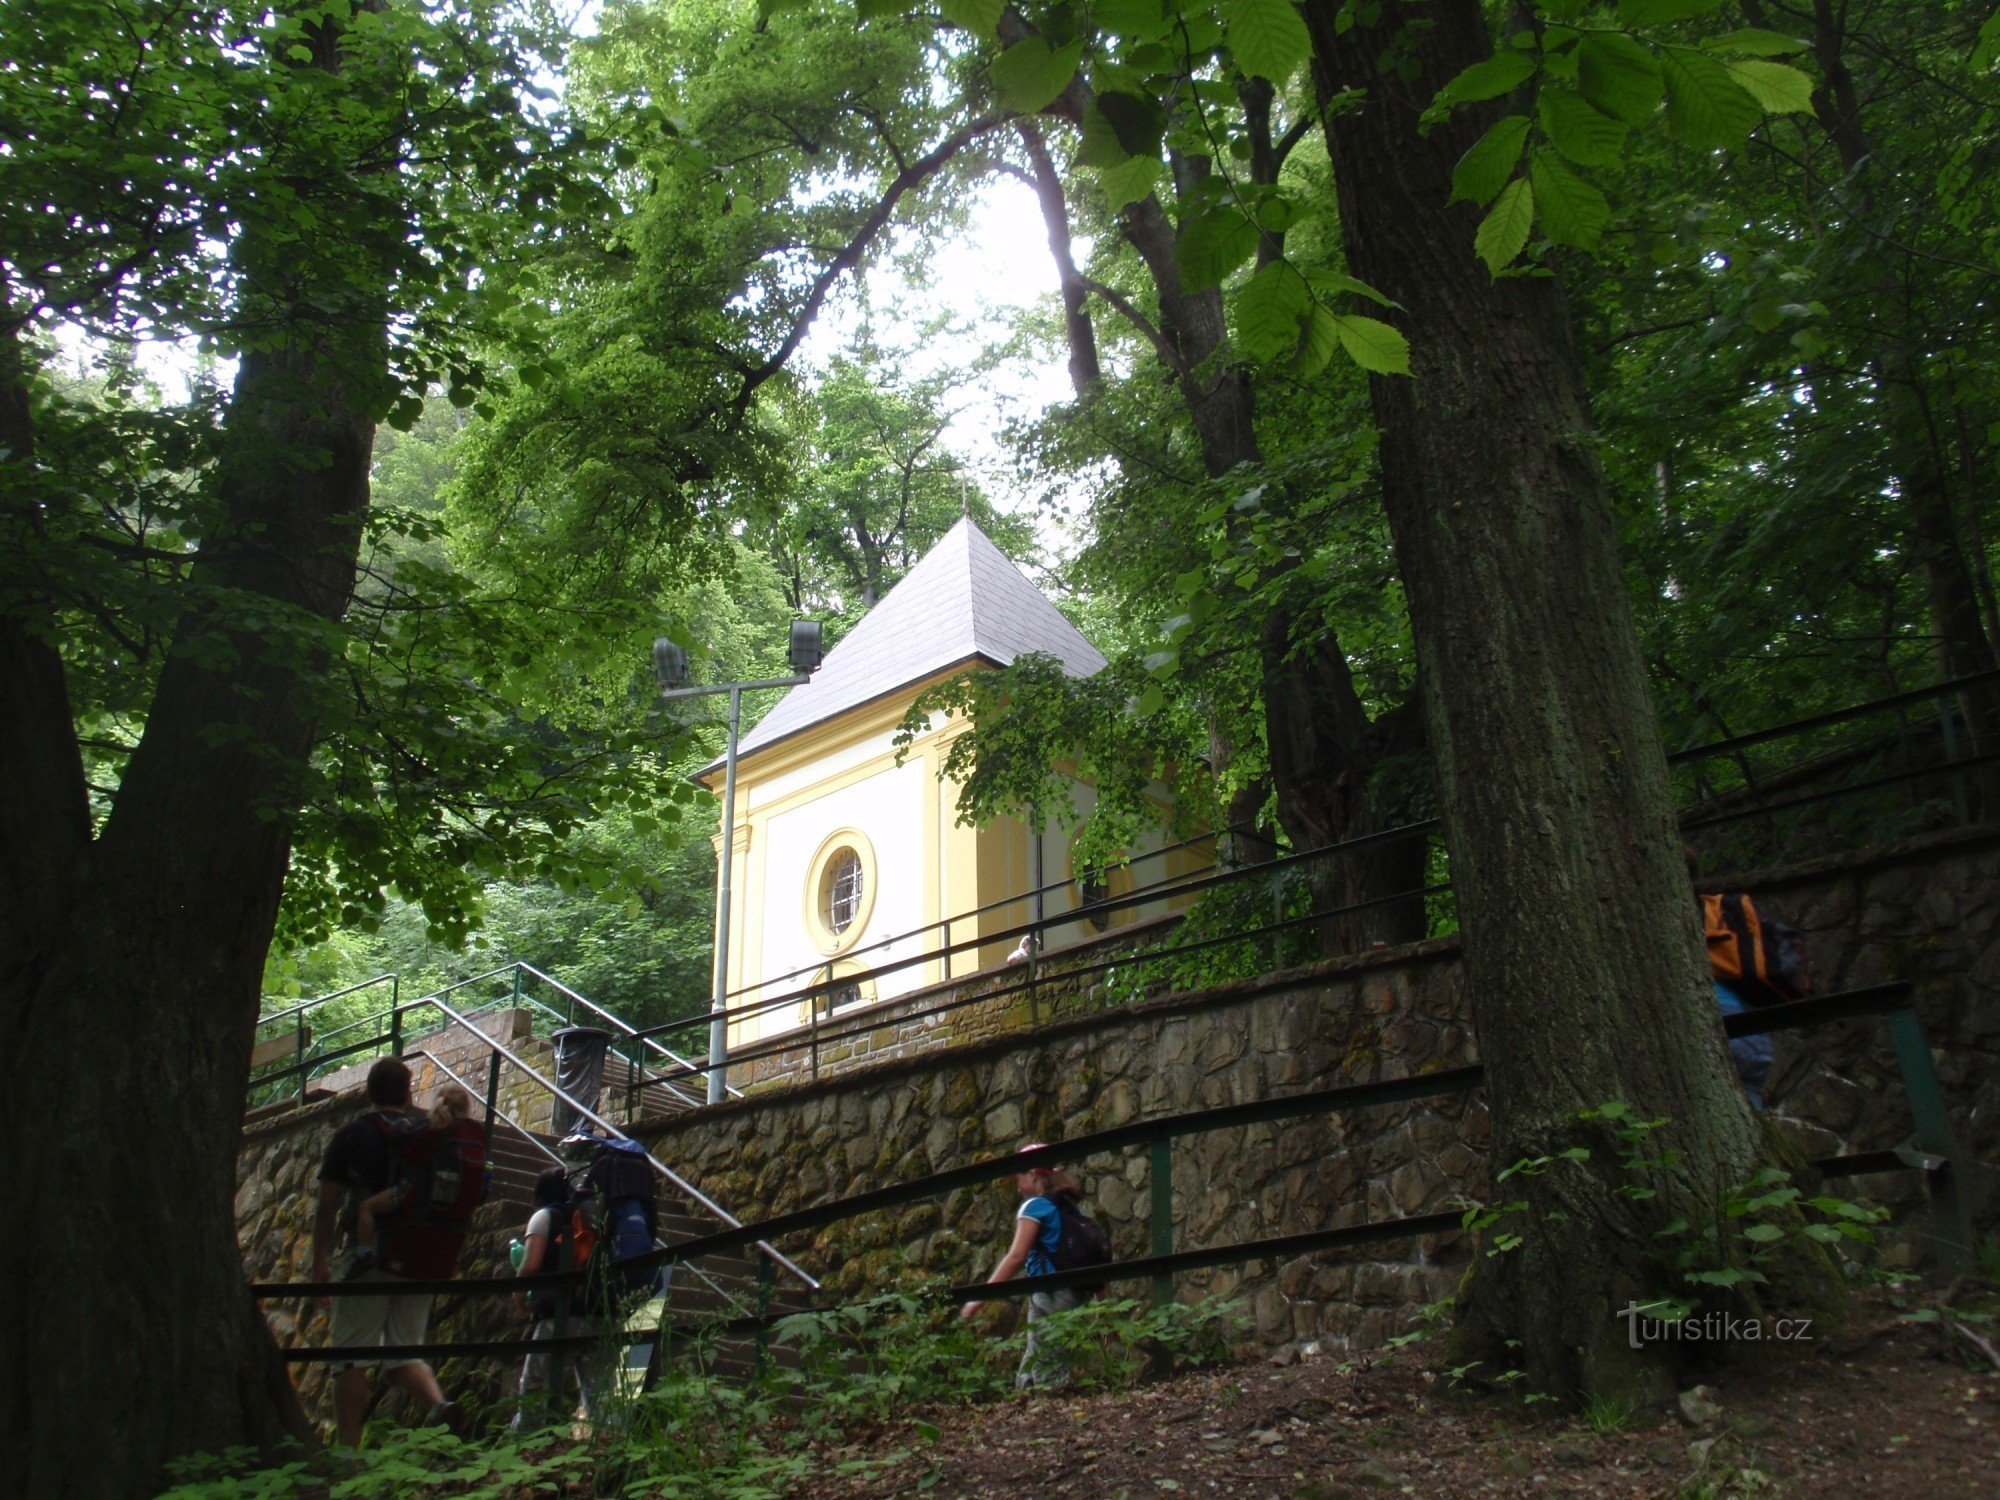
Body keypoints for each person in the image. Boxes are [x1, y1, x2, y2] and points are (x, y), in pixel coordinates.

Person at [310, 1058, 461, 1445]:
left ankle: (348, 1449)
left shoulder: (352, 1136)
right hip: (419, 1257)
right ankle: (439, 1404)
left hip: (370, 1258)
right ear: (409, 1093)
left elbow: (327, 1205)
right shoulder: (423, 1134)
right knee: (403, 1355)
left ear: (368, 1092)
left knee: (352, 1355)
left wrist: (320, 1262)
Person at [960, 1146, 1084, 1390]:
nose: (1016, 1186)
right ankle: (1025, 1400)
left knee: (1048, 1367)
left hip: (1049, 1290)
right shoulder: (1066, 1206)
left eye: (1019, 1177)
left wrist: (979, 1298)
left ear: (1034, 1175)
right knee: (1035, 1357)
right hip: (1073, 1292)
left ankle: (1049, 1417)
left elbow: (1016, 1256)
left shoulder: (1034, 1207)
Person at [510, 1166, 614, 1432]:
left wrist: (519, 1294)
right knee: (598, 1389)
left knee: (534, 1382)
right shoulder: (588, 1216)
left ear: (539, 1194)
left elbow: (531, 1266)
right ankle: (607, 1444)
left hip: (559, 1312)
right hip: (596, 1310)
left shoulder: (544, 1217)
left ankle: (528, 1439)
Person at [350, 1085, 474, 1266]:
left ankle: (363, 1256)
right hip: (452, 1203)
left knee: (366, 1208)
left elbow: (403, 1141)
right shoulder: (469, 1140)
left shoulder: (427, 1128)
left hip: (415, 1191)